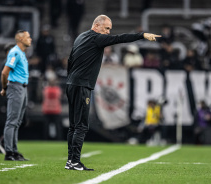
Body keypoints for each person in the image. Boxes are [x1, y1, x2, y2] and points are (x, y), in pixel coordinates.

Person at [65, 14, 161, 171]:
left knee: (73, 126)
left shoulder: (80, 37)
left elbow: (70, 60)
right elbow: (120, 38)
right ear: (96, 26)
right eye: (106, 28)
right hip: (82, 85)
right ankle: (74, 161)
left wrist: (71, 79)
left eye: (110, 29)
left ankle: (71, 161)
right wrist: (142, 35)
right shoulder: (97, 38)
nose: (109, 32)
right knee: (81, 126)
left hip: (71, 83)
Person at [0, 30, 32, 161]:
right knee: (12, 121)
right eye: (28, 37)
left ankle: (14, 150)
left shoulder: (22, 53)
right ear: (20, 39)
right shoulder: (14, 52)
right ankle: (9, 152)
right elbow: (4, 72)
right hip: (16, 87)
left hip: (23, 88)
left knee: (17, 122)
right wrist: (4, 88)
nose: (30, 39)